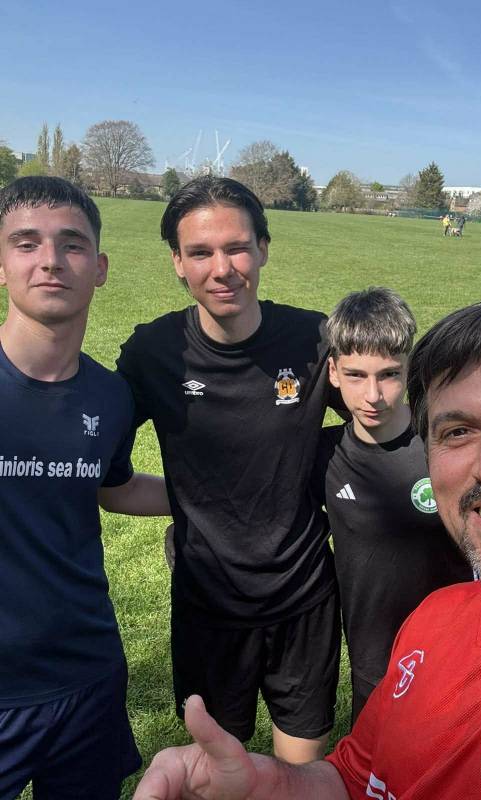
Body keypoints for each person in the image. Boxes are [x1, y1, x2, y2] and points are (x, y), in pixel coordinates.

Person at [134, 292, 481, 799]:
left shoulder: (430, 457)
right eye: (460, 431)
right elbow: (358, 778)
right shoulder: (325, 458)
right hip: (384, 654)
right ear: (333, 373)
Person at [117, 176, 340, 763]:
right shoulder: (154, 353)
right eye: (200, 252)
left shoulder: (315, 340)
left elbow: (383, 430)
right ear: (177, 262)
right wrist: (192, 500)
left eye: (237, 247)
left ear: (263, 248)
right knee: (218, 772)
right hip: (208, 607)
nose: (222, 269)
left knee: (298, 779)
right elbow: (101, 473)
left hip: (304, 600)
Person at [0, 176, 170, 800]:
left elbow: (111, 487)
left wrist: (213, 503)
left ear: (99, 268)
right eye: (26, 243)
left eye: (71, 244)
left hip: (87, 674)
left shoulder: (110, 395)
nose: (50, 260)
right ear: (0, 265)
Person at [313, 287, 471, 723]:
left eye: (388, 375)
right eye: (356, 375)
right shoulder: (322, 455)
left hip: (451, 652)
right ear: (333, 372)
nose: (373, 395)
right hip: (371, 658)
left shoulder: (444, 447)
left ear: (409, 370)